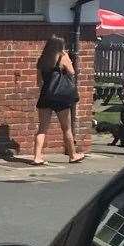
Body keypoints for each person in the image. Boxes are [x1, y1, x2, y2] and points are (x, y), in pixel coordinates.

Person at [32, 36, 84, 165]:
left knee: (42, 128)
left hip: (46, 95)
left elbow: (39, 82)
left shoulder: (41, 60)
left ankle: (37, 157)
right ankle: (73, 155)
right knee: (66, 128)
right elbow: (72, 72)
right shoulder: (62, 57)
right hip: (61, 97)